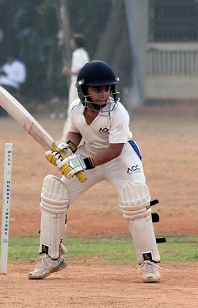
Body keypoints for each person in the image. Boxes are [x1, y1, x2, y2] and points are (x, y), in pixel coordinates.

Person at [28, 60, 162, 283]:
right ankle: (51, 256)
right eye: (97, 89)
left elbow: (115, 149)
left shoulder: (118, 112)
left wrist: (82, 164)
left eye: (107, 89)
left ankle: (149, 262)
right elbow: (75, 133)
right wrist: (67, 148)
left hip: (120, 159)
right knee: (55, 193)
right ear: (84, 91)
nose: (104, 95)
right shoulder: (75, 109)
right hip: (89, 154)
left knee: (136, 200)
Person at [60, 34, 90, 138]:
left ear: (76, 43)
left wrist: (68, 71)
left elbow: (79, 70)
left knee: (72, 110)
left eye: (72, 41)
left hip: (77, 85)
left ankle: (66, 138)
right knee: (81, 110)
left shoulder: (76, 54)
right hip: (84, 85)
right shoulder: (84, 53)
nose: (71, 43)